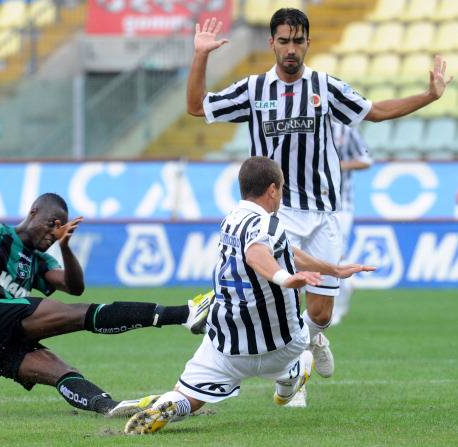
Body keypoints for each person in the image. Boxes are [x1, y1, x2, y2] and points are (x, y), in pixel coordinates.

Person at [185, 8, 453, 379]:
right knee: (278, 302)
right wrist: (201, 55)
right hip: (278, 213)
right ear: (272, 43)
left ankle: (313, 340)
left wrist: (429, 96)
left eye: (297, 41)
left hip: (325, 212)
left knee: (321, 314)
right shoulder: (253, 90)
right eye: (284, 41)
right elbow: (196, 107)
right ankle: (292, 378)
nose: (290, 49)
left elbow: (375, 111)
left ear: (308, 43)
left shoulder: (325, 87)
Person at [123, 157, 375, 434]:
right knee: (300, 352)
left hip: (228, 345)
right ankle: (295, 373)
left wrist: (332, 269)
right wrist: (285, 277)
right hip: (283, 345)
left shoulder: (229, 220)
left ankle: (171, 405)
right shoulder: (269, 224)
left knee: (189, 397)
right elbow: (256, 253)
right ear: (272, 190)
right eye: (281, 188)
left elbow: (284, 250)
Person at [0, 192, 213, 417]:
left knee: (60, 370)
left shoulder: (38, 262)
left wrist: (65, 247)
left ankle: (109, 406)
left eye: (61, 228)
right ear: (33, 212)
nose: (54, 232)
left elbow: (74, 286)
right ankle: (185, 313)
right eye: (51, 224)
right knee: (78, 315)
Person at [331, 121, 373, 326]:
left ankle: (338, 307)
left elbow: (366, 159)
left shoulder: (345, 130)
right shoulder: (305, 126)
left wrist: (341, 165)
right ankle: (347, 286)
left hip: (341, 206)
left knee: (336, 255)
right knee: (319, 256)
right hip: (310, 206)